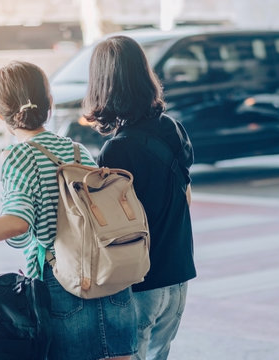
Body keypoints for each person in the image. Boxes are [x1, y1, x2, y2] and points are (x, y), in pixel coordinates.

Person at [0, 60, 137, 360]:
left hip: (65, 284)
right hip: (110, 277)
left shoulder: (20, 157)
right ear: (50, 103)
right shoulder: (77, 151)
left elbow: (17, 222)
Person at [83, 36, 197, 360]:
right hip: (178, 277)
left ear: (103, 85)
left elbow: (110, 227)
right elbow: (185, 195)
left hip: (142, 282)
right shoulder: (174, 129)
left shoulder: (116, 150)